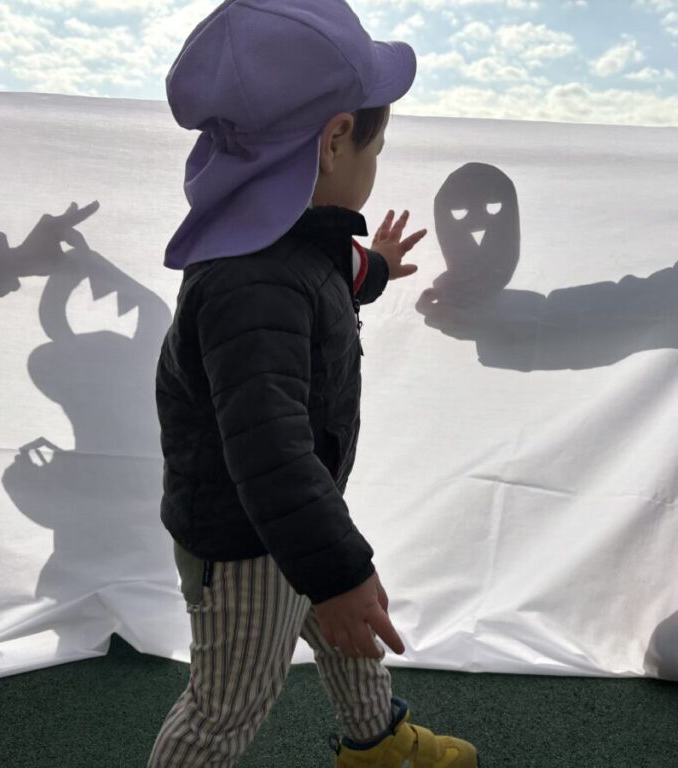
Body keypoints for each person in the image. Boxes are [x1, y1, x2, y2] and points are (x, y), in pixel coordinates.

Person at [149, 1, 479, 766]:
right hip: (249, 540)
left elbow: (331, 271)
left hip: (292, 510)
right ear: (334, 141)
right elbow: (269, 451)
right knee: (225, 707)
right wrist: (337, 572)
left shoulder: (283, 235)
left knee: (348, 635)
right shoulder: (250, 284)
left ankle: (378, 745)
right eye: (375, 148)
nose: (375, 163)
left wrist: (378, 267)